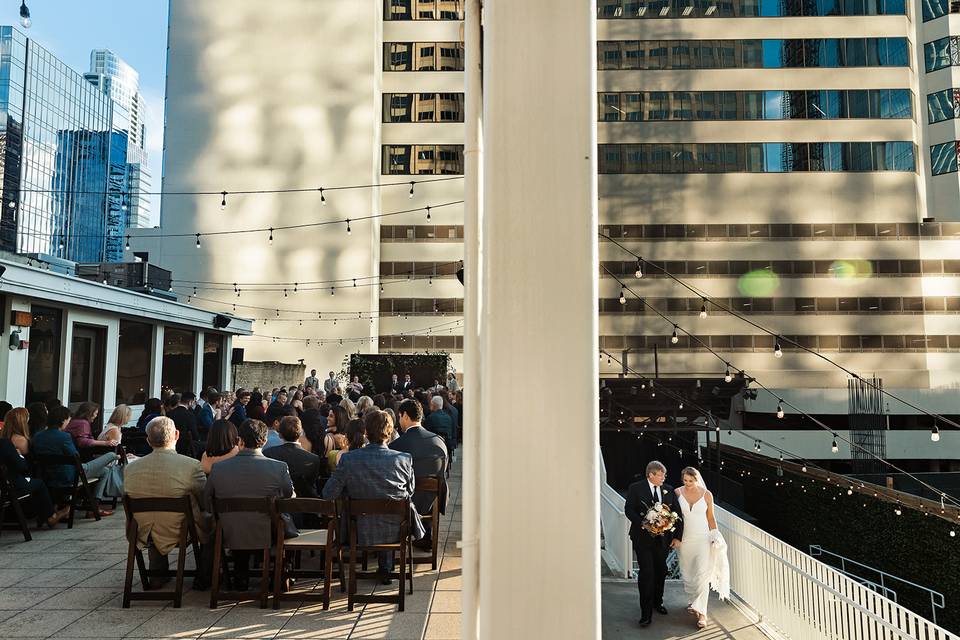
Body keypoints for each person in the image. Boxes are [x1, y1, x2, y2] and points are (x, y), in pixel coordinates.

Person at [322, 410, 425, 582]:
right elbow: (410, 490)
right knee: (387, 509)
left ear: (366, 432)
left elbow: (328, 493)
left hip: (359, 529)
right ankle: (385, 568)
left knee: (377, 509)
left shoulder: (350, 459)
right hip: (395, 529)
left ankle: (384, 568)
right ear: (390, 432)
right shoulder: (403, 459)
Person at [205, 419, 294, 591]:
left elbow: (207, 500)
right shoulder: (279, 468)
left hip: (229, 530)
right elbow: (288, 496)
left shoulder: (219, 468)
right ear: (265, 441)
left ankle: (241, 577)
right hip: (267, 530)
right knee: (280, 519)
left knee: (241, 523)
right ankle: (278, 572)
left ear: (240, 440)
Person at [123, 416, 210, 587]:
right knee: (214, 522)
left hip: (142, 529)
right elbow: (204, 499)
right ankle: (205, 574)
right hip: (181, 528)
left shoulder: (131, 468)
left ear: (148, 440)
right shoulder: (191, 465)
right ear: (176, 435)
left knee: (154, 518)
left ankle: (157, 573)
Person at [625, 461, 684, 628]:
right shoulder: (636, 488)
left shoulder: (669, 490)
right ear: (651, 475)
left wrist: (677, 537)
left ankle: (657, 602)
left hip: (663, 541)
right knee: (647, 574)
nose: (664, 478)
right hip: (642, 539)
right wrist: (643, 523)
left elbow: (677, 515)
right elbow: (629, 509)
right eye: (661, 475)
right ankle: (646, 613)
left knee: (660, 571)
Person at [32, 406, 122, 515]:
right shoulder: (64, 436)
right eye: (68, 420)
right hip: (70, 475)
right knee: (111, 455)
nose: (68, 423)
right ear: (62, 420)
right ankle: (94, 506)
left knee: (105, 471)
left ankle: (94, 506)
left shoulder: (38, 436)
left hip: (48, 476)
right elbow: (75, 456)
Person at [390, 399, 447, 549]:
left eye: (400, 416)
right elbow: (442, 473)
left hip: (404, 503)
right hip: (432, 500)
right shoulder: (439, 442)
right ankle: (426, 533)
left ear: (406, 416)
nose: (399, 420)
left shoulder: (396, 446)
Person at [675, 467, 728, 629]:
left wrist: (715, 536)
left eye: (691, 481)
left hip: (703, 539)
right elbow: (673, 515)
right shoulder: (677, 492)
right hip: (684, 540)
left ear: (697, 479)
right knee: (688, 573)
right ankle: (693, 602)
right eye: (685, 480)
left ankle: (703, 613)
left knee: (702, 574)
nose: (688, 484)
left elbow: (711, 518)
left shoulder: (707, 494)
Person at [0, 435, 70, 528]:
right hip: (8, 489)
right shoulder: (4, 444)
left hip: (4, 488)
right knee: (39, 484)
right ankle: (51, 516)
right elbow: (21, 466)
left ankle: (44, 514)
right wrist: (19, 455)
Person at [264, 416, 321, 498]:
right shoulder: (313, 459)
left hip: (279, 504)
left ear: (280, 435)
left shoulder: (268, 453)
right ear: (301, 433)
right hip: (305, 504)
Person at [164, 394, 201, 458]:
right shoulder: (190, 415)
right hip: (185, 447)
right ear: (190, 402)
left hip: (170, 444)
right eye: (193, 402)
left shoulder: (170, 413)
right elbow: (194, 433)